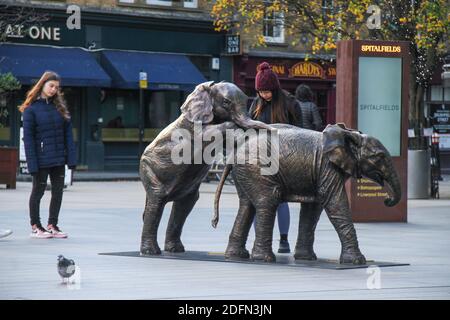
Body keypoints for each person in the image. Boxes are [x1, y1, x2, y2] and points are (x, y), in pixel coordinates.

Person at [248, 62, 302, 254]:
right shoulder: (256, 104)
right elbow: (248, 129)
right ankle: (260, 240)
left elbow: (300, 131)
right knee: (258, 200)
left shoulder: (290, 102)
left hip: (283, 157)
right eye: (261, 91)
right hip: (260, 156)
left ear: (275, 88)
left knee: (280, 199)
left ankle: (284, 240)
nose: (264, 95)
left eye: (267, 91)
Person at [19, 71, 76, 239]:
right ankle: (36, 226)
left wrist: (71, 160)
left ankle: (53, 225)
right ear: (42, 85)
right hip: (41, 159)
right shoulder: (31, 110)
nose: (53, 90)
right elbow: (28, 139)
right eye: (51, 86)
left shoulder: (60, 108)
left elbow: (68, 136)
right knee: (38, 191)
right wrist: (32, 164)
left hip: (58, 158)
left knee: (58, 192)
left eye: (56, 88)